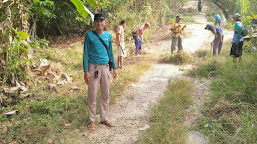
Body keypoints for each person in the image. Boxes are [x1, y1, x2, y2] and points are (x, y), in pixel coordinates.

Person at [83, 13, 117, 130]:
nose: (99, 23)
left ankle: (104, 118)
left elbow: (111, 53)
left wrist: (115, 68)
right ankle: (92, 120)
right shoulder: (89, 36)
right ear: (94, 23)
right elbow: (85, 54)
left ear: (104, 23)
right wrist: (86, 71)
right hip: (93, 67)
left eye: (101, 21)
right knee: (92, 93)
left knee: (105, 93)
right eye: (97, 21)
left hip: (106, 67)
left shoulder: (108, 35)